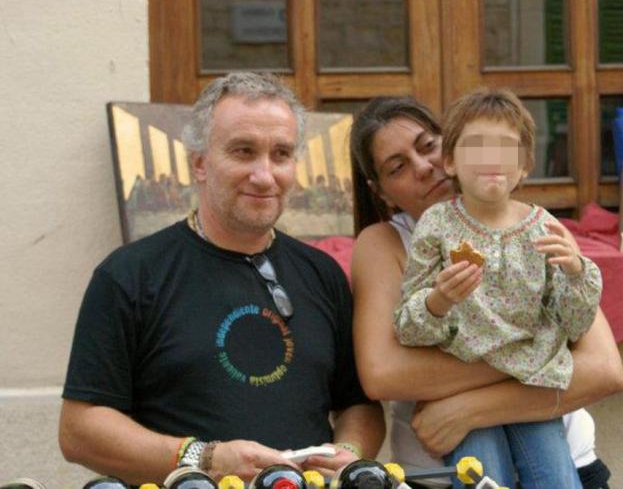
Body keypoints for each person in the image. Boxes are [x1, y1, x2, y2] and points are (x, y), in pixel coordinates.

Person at [59, 72, 385, 486]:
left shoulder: (322, 274)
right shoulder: (129, 275)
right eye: (243, 152)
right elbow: (79, 431)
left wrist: (348, 453)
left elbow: (359, 406)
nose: (264, 175)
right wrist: (205, 458)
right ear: (199, 163)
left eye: (281, 154)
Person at [349, 96, 623, 488]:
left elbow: (604, 369)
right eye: (398, 167)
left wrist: (465, 409)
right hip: (443, 475)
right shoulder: (385, 243)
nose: (423, 167)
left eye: (428, 146)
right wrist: (535, 355)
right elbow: (384, 374)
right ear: (381, 192)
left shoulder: (535, 225)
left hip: (567, 458)